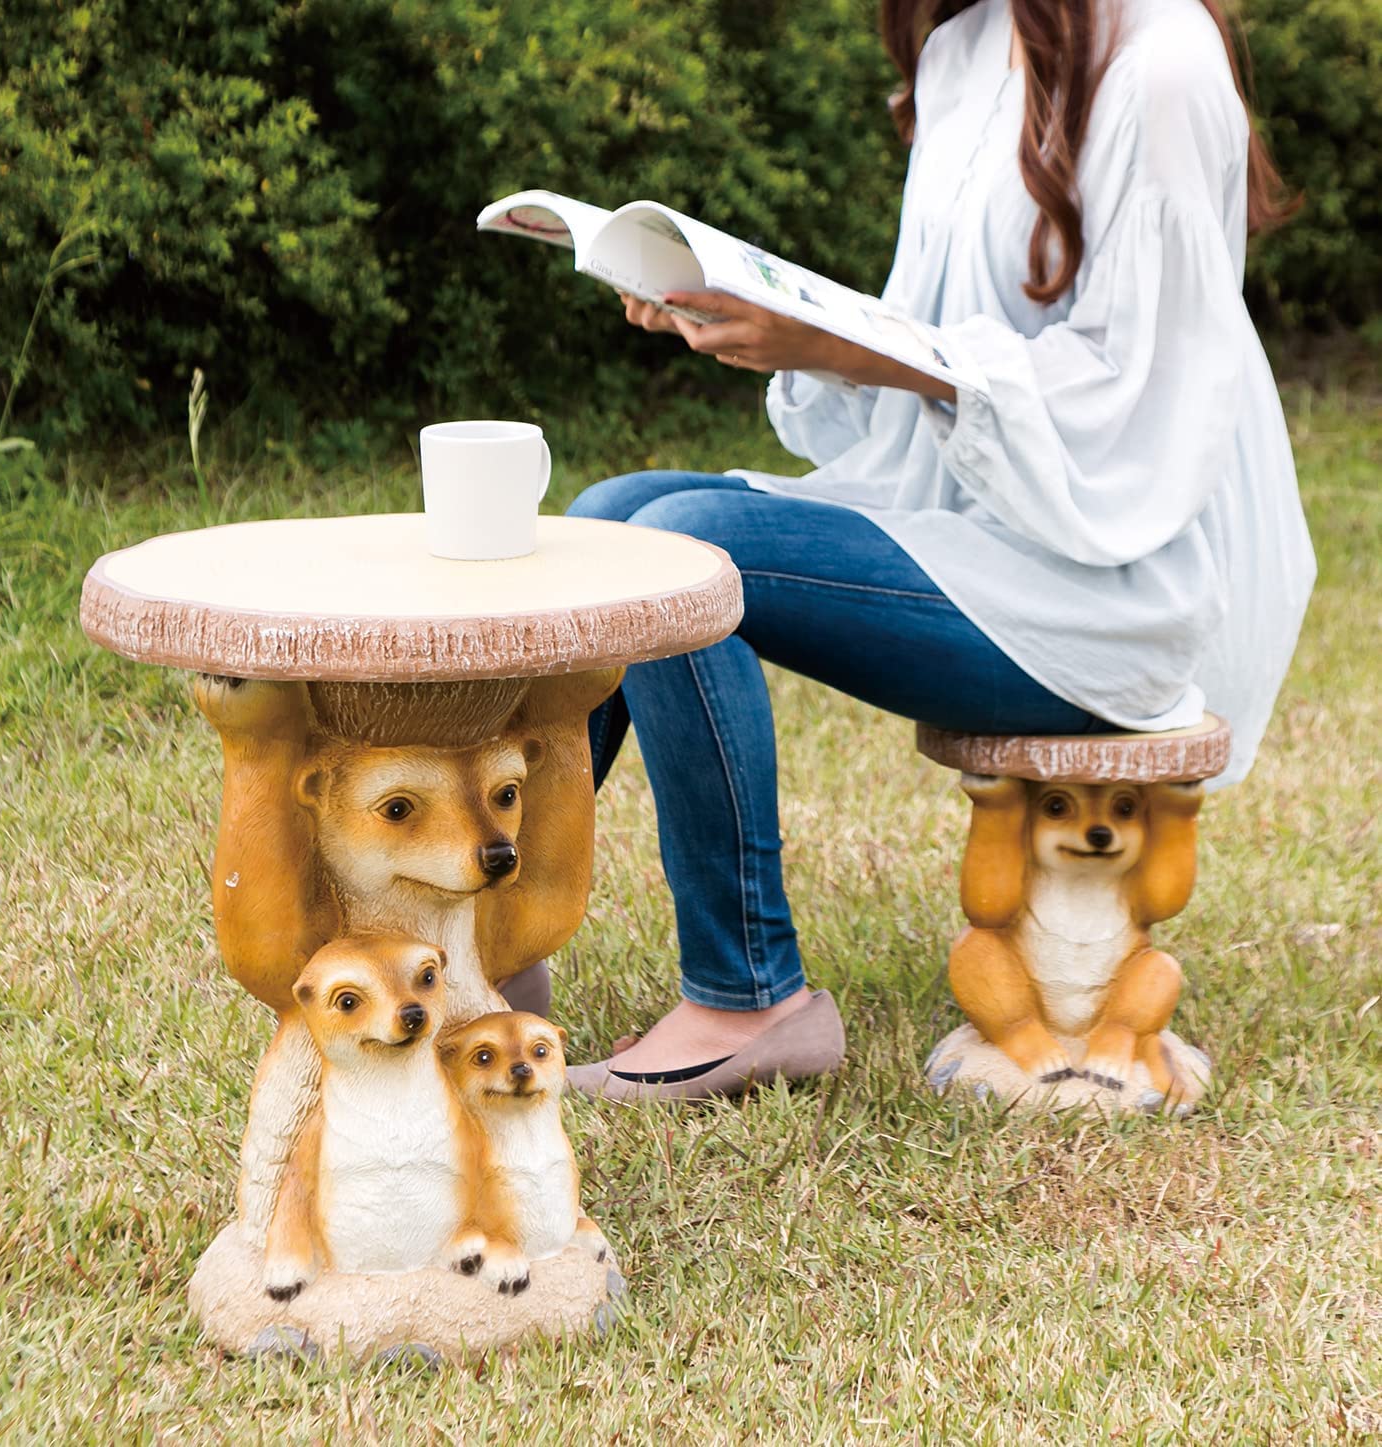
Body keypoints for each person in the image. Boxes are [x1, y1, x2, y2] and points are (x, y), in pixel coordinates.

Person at [560, 0, 1316, 1101]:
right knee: (609, 514)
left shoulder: (1163, 66)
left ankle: (747, 995)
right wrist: (756, 316)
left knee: (679, 555)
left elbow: (1148, 396)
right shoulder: (967, 49)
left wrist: (843, 346)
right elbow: (925, 344)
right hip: (971, 525)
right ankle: (488, 949)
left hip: (1104, 586)